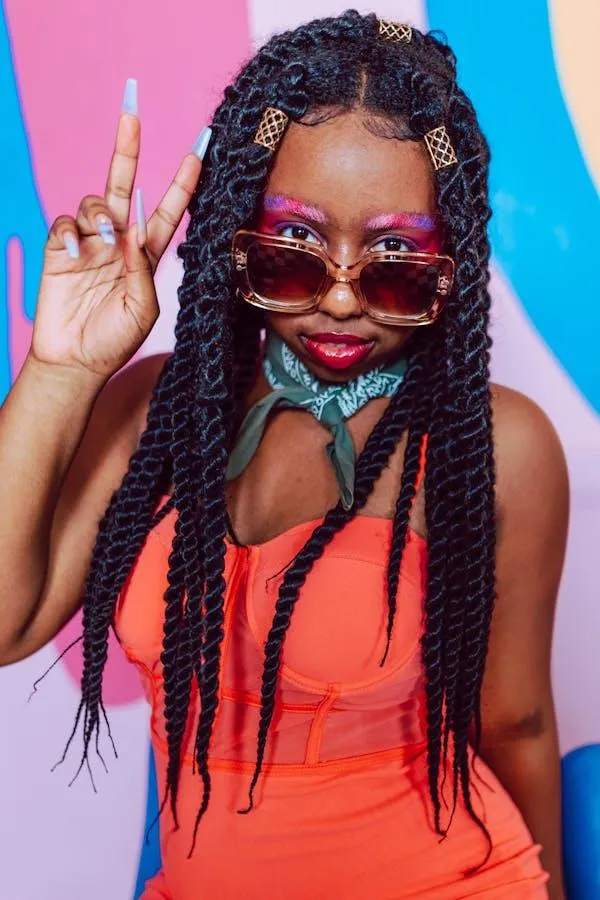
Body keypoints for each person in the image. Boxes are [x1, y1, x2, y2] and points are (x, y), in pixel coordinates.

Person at [0, 11, 569, 899]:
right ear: (234, 238)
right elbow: (7, 622)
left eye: (395, 262)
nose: (342, 302)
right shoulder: (158, 411)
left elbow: (521, 723)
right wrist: (63, 367)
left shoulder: (491, 445)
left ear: (449, 262)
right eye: (294, 252)